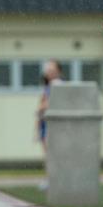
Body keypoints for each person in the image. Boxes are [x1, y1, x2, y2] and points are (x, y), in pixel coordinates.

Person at [36, 60, 63, 190]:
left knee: (53, 155)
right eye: (48, 70)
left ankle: (55, 180)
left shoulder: (57, 85)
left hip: (53, 126)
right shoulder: (47, 87)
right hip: (44, 124)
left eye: (52, 70)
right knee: (47, 155)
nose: (49, 72)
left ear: (58, 71)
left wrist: (42, 107)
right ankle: (50, 179)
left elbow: (49, 103)